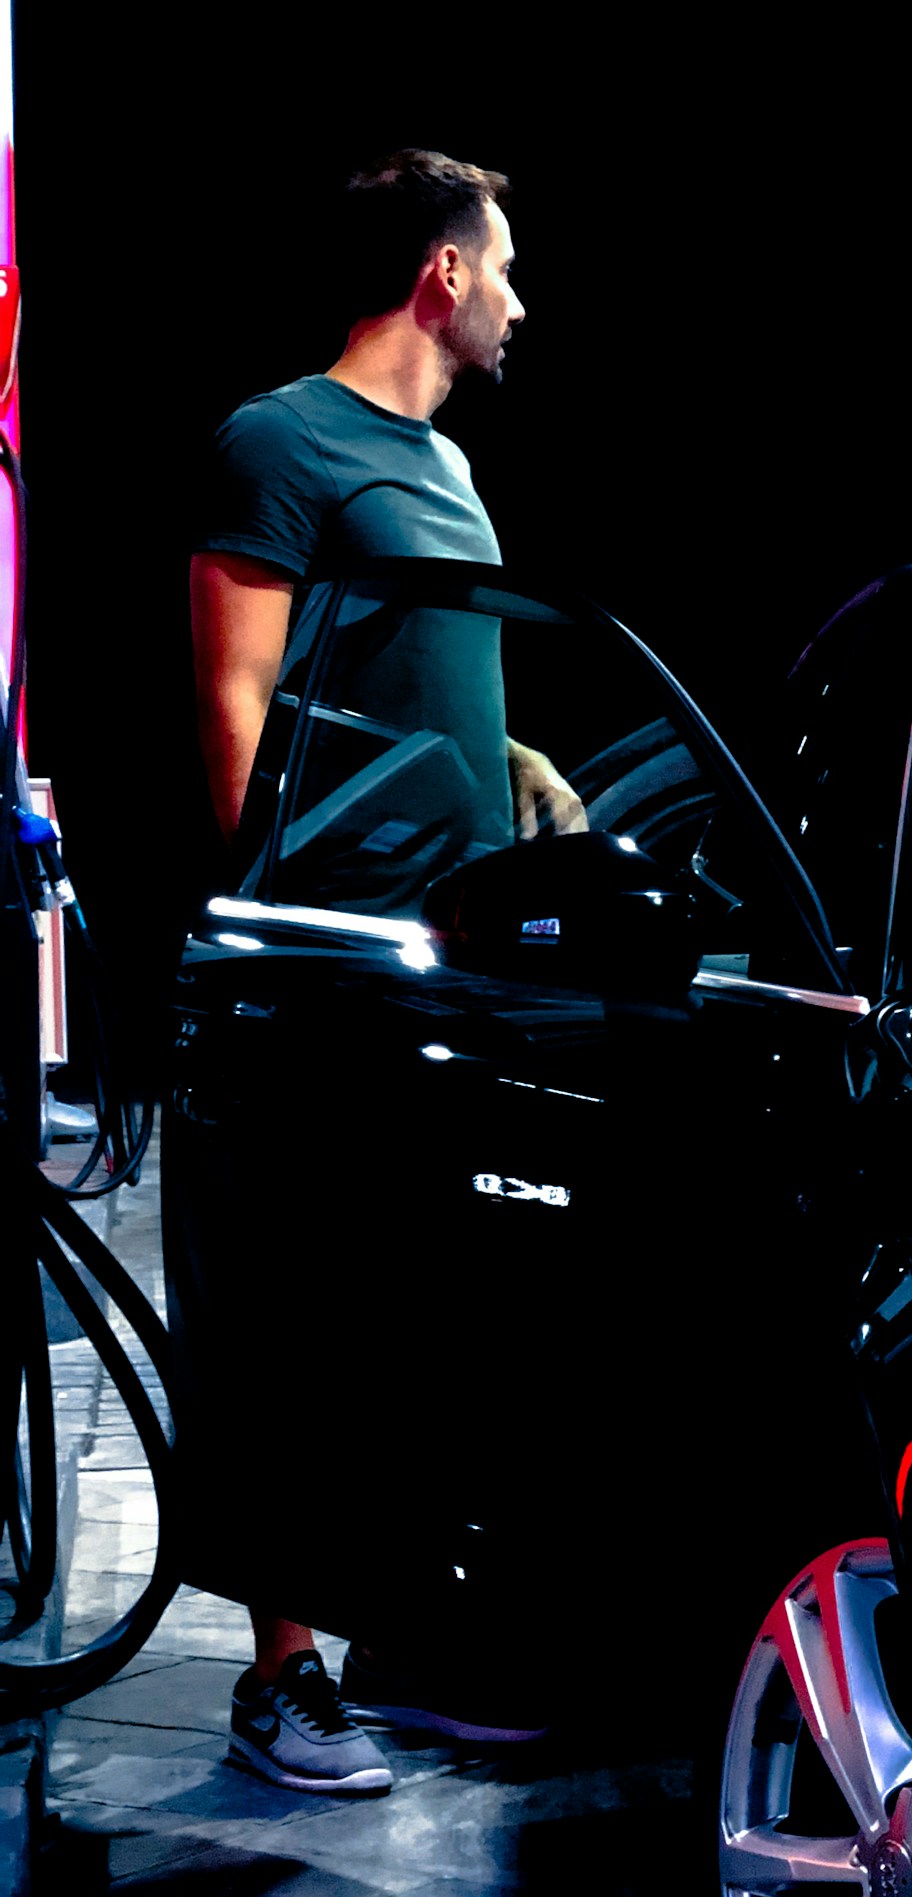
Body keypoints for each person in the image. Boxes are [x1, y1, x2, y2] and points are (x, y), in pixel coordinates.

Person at [191, 150, 556, 1790]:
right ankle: (280, 1676)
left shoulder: (444, 466)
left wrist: (515, 755)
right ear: (440, 280)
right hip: (336, 960)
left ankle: (403, 1632)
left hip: (450, 958)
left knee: (423, 1308)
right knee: (300, 1309)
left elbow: (412, 671)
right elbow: (238, 700)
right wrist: (289, 929)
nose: (520, 303)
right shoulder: (280, 441)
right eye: (505, 272)